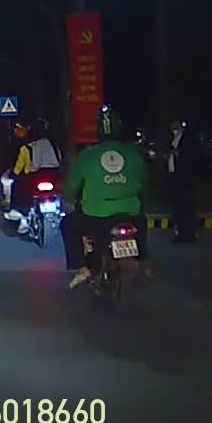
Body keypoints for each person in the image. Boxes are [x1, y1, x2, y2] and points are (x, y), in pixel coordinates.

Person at [62, 108, 149, 288]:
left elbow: (71, 188)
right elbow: (144, 183)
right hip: (130, 213)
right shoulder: (133, 154)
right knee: (142, 220)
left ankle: (82, 268)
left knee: (68, 225)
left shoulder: (87, 156)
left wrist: (68, 193)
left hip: (96, 216)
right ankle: (143, 259)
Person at [4, 119, 62, 233]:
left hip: (35, 177)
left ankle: (21, 214)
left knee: (19, 187)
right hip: (53, 176)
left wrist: (13, 174)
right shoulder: (54, 146)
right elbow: (60, 160)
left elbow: (18, 168)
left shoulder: (27, 148)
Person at [167, 119, 199, 243]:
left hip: (185, 178)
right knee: (178, 206)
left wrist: (178, 154)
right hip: (175, 176)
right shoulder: (173, 139)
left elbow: (192, 156)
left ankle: (188, 233)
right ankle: (181, 231)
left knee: (186, 206)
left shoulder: (188, 139)